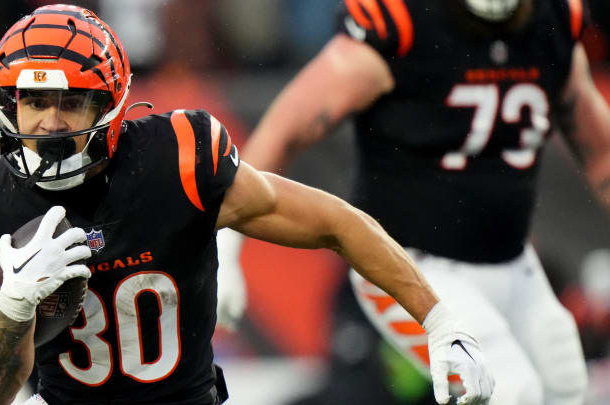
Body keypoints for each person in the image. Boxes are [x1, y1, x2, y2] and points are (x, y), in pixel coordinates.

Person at [0, 4, 493, 405]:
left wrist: (439, 320)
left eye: (72, 102)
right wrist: (13, 308)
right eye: (33, 102)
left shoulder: (177, 162)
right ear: (7, 106)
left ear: (111, 106)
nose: (49, 122)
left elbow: (334, 224)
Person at [217, 0, 610, 404]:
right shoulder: (405, 26)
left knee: (566, 386)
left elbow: (601, 154)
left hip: (514, 264)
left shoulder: (554, 23)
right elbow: (287, 129)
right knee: (510, 390)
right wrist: (228, 243)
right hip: (411, 265)